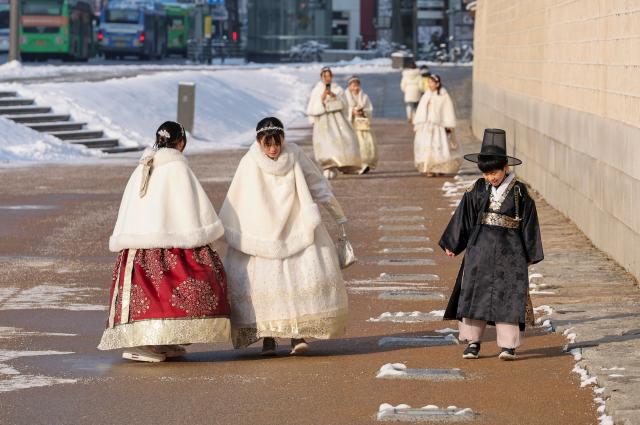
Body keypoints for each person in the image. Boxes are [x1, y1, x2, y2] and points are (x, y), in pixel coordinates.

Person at [98, 121, 231, 362]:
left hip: (138, 245)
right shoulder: (177, 167)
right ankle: (141, 344)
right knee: (179, 290)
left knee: (150, 296)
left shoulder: (144, 165)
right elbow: (192, 203)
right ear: (181, 143)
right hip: (171, 240)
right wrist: (204, 231)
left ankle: (162, 340)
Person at [219, 117, 350, 356]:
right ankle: (268, 338)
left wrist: (338, 214)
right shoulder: (249, 162)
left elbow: (317, 183)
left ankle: (296, 335)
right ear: (259, 141)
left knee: (295, 281)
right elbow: (236, 198)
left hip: (296, 227)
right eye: (267, 143)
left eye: (277, 142)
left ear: (283, 139)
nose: (273, 148)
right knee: (264, 286)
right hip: (260, 233)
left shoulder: (295, 155)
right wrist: (230, 229)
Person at [439, 128, 544, 361]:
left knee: (509, 296)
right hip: (480, 247)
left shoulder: (519, 192)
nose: (491, 177)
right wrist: (453, 243)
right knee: (475, 292)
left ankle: (508, 345)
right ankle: (473, 342)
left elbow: (529, 222)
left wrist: (530, 252)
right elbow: (464, 215)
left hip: (511, 250)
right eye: (486, 173)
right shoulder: (477, 188)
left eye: (494, 172)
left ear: (505, 168)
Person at [306, 66, 362, 179]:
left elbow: (345, 104)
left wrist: (334, 96)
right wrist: (321, 98)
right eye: (325, 76)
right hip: (323, 121)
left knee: (343, 140)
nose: (327, 78)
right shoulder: (317, 90)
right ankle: (328, 166)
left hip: (337, 120)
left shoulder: (337, 88)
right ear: (321, 77)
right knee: (326, 143)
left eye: (329, 75)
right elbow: (312, 107)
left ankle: (343, 164)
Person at [412, 74, 462, 176]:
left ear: (437, 83)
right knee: (427, 147)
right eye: (429, 82)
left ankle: (440, 168)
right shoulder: (426, 95)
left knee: (439, 148)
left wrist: (448, 124)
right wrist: (419, 123)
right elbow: (421, 110)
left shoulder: (444, 96)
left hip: (438, 126)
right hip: (426, 126)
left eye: (432, 82)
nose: (430, 84)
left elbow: (447, 111)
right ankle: (429, 169)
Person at [345, 75, 378, 174]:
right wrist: (352, 112)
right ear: (349, 86)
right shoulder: (345, 97)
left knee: (365, 145)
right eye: (353, 85)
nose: (355, 88)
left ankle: (365, 163)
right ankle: (352, 165)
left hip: (363, 126)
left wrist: (363, 112)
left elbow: (370, 109)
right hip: (351, 125)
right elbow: (343, 110)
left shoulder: (364, 97)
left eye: (357, 85)